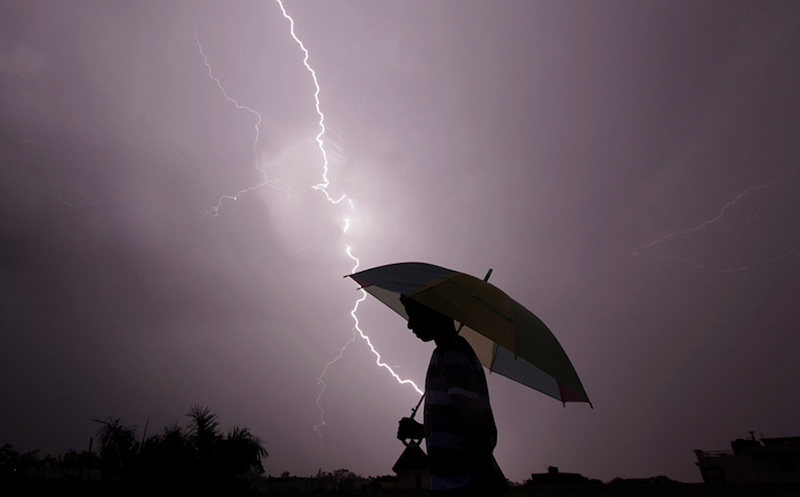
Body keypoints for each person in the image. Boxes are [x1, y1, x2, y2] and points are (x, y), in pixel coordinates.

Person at [397, 297, 507, 496]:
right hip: (453, 484)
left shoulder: (452, 355)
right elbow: (458, 426)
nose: (409, 324)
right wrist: (424, 431)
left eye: (413, 315)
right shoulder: (444, 354)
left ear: (434, 312)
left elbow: (477, 427)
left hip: (466, 485)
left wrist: (482, 485)